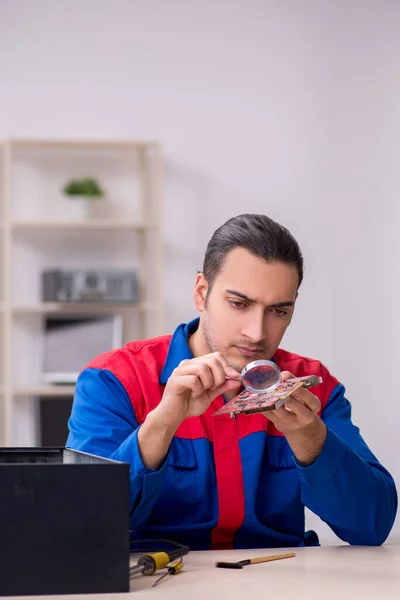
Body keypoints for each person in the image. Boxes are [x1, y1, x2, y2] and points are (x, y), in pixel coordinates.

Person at [67, 213, 397, 550]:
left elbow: (372, 527)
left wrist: (309, 437)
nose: (256, 332)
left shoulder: (314, 387)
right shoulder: (115, 381)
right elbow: (84, 527)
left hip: (282, 582)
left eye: (279, 311)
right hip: (162, 583)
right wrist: (161, 425)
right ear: (201, 293)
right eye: (239, 304)